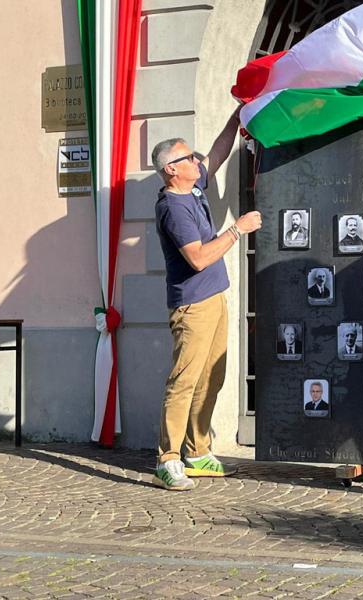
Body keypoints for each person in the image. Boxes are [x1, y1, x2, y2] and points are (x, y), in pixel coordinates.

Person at [152, 108, 262, 491]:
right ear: (171, 169)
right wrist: (237, 229)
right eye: (188, 158)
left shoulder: (194, 187)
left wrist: (236, 116)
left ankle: (197, 452)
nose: (197, 161)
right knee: (184, 381)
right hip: (193, 305)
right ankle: (168, 460)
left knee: (212, 377)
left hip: (214, 298)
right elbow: (197, 258)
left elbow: (216, 153)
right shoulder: (173, 208)